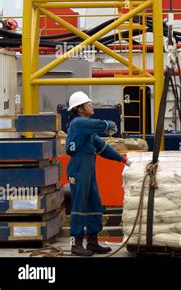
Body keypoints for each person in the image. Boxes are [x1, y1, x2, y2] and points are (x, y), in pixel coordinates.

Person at [65, 91, 131, 256]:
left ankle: (93, 242)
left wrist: (122, 159)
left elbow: (102, 147)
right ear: (79, 108)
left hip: (87, 170)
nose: (92, 106)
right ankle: (76, 243)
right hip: (78, 169)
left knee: (94, 203)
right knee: (79, 205)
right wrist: (108, 124)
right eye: (89, 104)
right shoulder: (78, 123)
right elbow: (99, 124)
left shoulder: (86, 131)